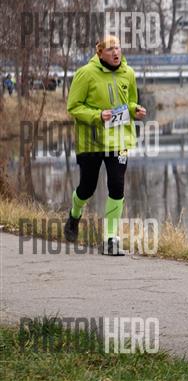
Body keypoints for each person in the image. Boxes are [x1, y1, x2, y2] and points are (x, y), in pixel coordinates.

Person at [64, 35, 147, 255]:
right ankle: (74, 215)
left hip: (118, 140)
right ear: (100, 53)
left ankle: (110, 238)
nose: (115, 52)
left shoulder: (128, 73)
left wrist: (135, 109)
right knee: (87, 187)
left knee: (117, 185)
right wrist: (98, 115)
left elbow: (129, 101)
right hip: (91, 141)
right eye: (110, 49)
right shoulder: (85, 74)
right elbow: (73, 107)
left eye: (118, 48)